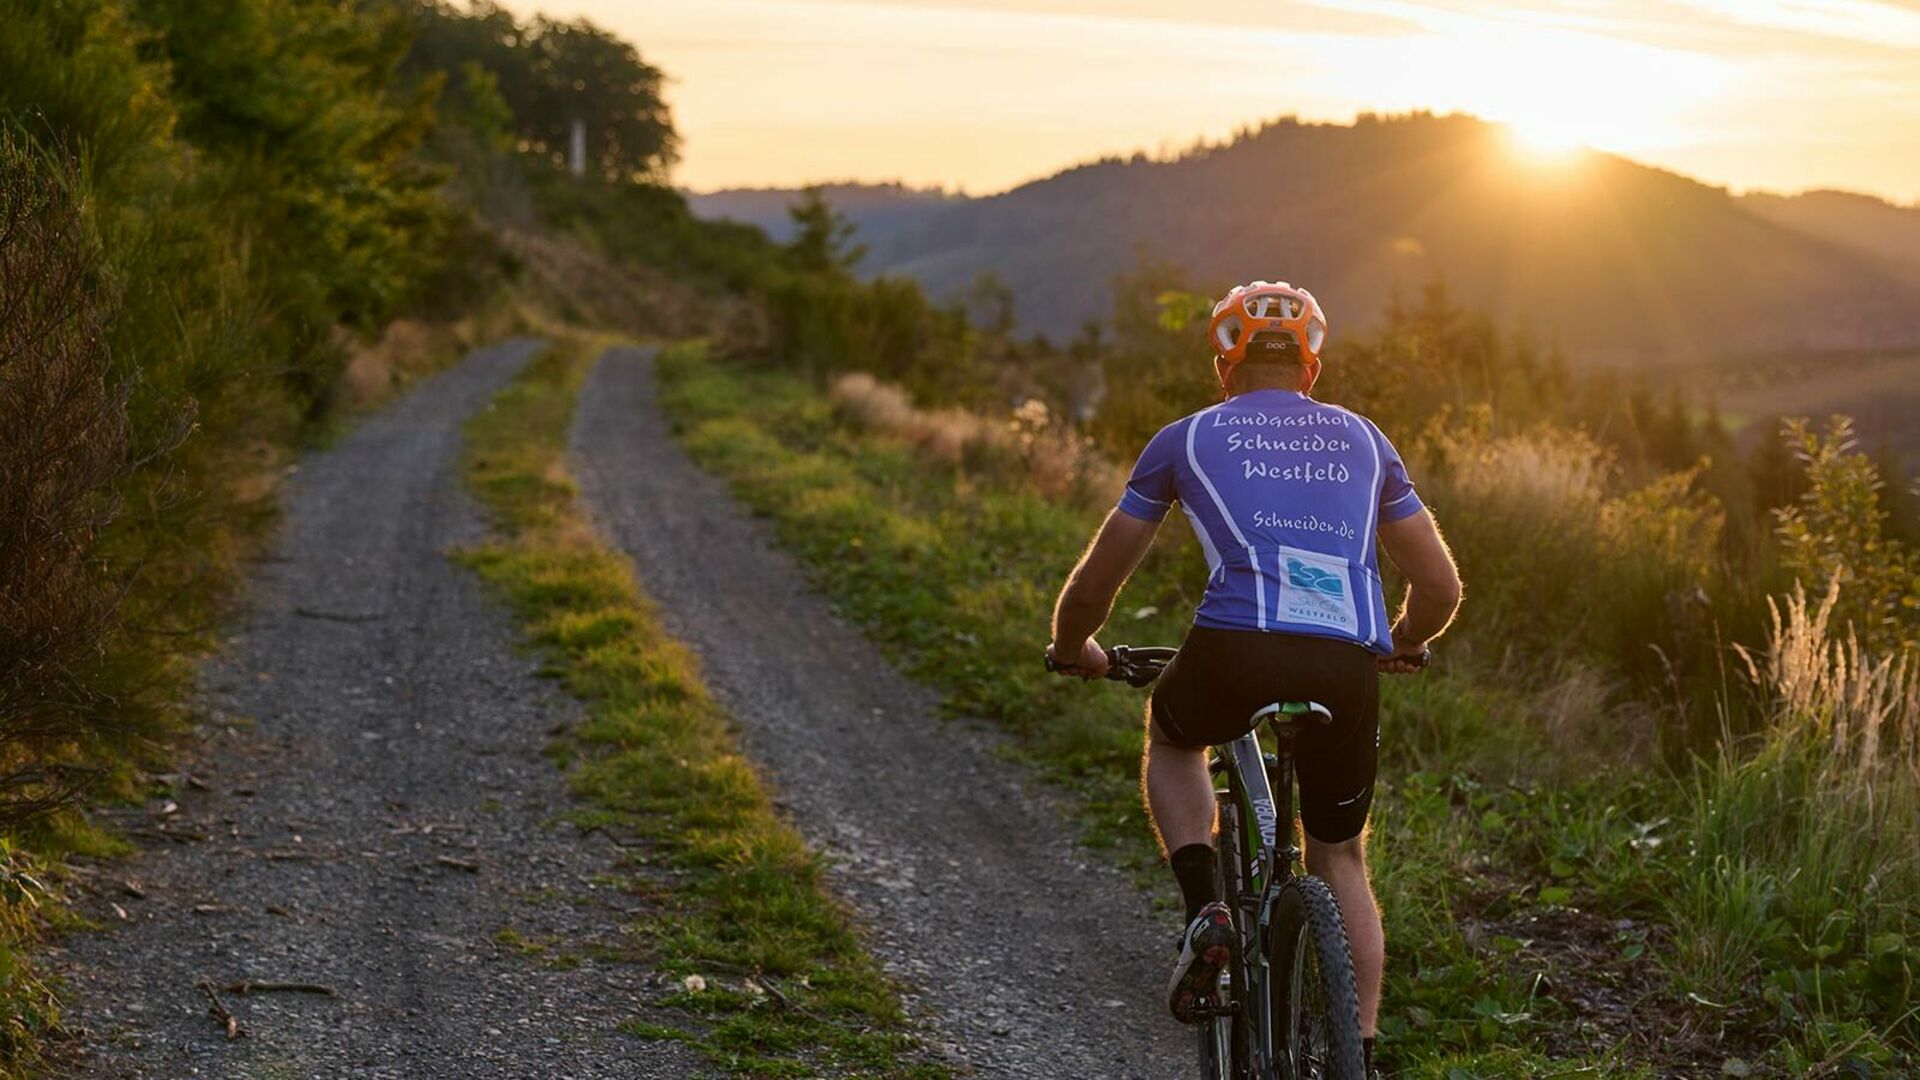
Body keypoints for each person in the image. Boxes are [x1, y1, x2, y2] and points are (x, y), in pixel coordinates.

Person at [1045, 281, 1462, 1075]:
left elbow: (1096, 585)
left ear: (1222, 364)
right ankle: (1356, 1053)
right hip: (1345, 657)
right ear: (1310, 367)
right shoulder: (1368, 441)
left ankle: (1207, 907)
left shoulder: (1186, 439)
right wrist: (1401, 641)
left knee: (1174, 739)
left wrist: (1076, 646)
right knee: (1339, 860)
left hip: (1233, 644)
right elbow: (1439, 589)